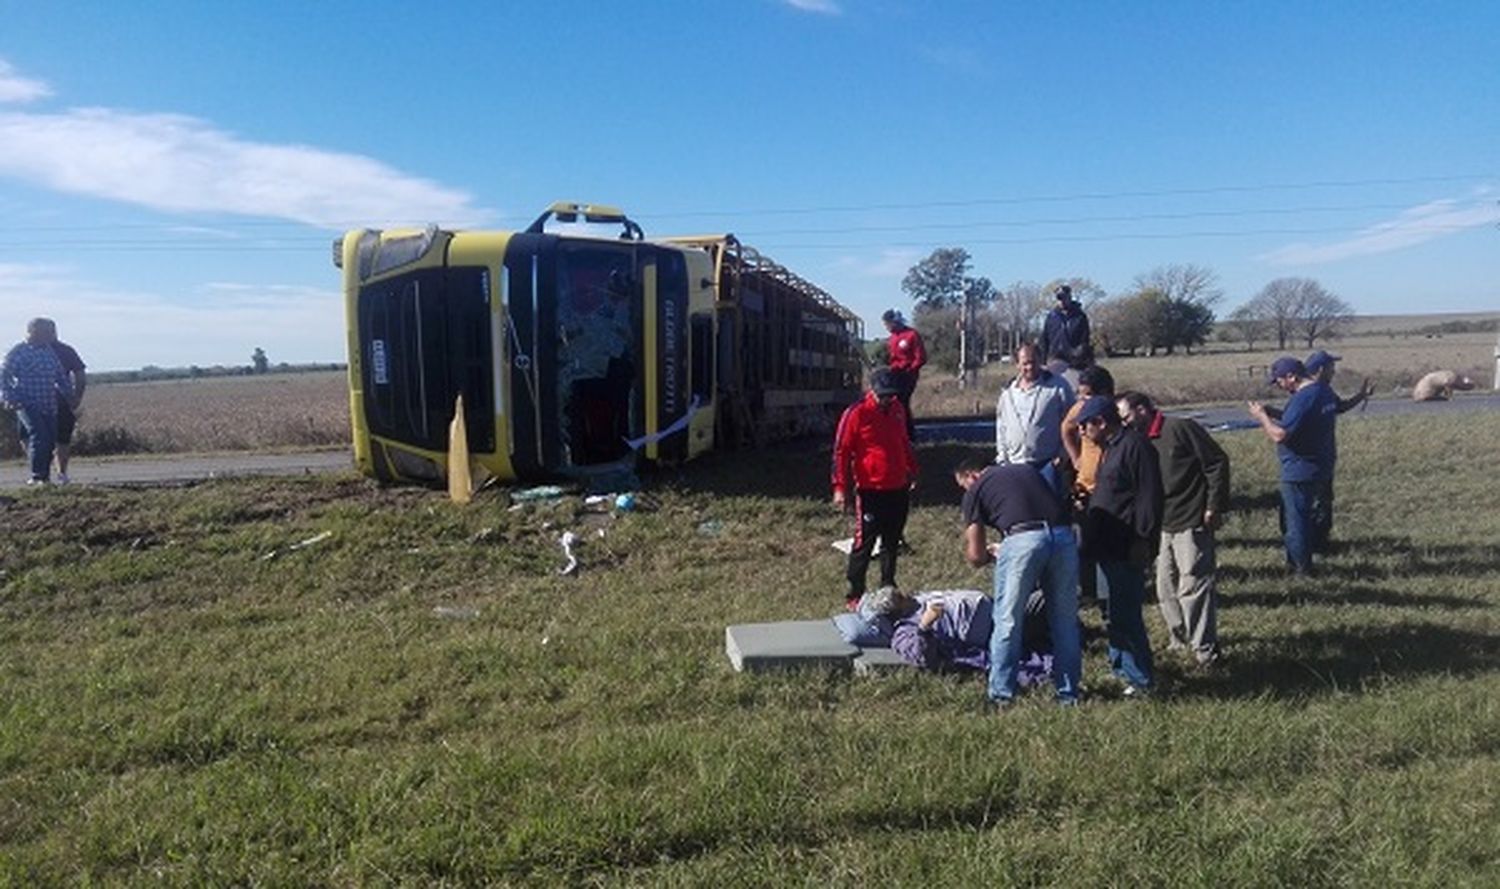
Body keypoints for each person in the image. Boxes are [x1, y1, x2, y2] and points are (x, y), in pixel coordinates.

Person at [955, 456, 1082, 707]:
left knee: (1008, 620)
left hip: (1022, 539)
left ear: (971, 475)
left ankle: (1001, 694)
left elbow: (976, 555)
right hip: (1064, 536)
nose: (965, 491)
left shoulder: (976, 488)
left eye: (963, 485)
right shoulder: (1026, 471)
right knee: (1065, 621)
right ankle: (1069, 694)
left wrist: (991, 554)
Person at [1118, 391, 1230, 666]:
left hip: (1191, 518)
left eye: (1126, 416)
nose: (1124, 424)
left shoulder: (1180, 429)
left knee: (1193, 584)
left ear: (1143, 410)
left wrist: (1214, 506)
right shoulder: (1136, 441)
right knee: (1164, 587)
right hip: (1162, 524)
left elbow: (1216, 462)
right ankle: (1179, 641)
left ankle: (1206, 651)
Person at [1076, 395, 1162, 695]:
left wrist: (1143, 539)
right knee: (1110, 612)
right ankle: (1121, 668)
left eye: (1085, 426)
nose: (1082, 433)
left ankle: (1140, 679)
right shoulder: (1110, 449)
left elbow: (1149, 497)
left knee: (1126, 613)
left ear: (1100, 422)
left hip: (1126, 545)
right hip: (1105, 545)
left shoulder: (1135, 447)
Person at [832, 368, 919, 607]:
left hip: (897, 486)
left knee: (892, 541)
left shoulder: (898, 410)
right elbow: (841, 452)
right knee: (865, 542)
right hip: (870, 489)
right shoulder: (857, 413)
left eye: (891, 396)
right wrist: (840, 487)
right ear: (872, 391)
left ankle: (888, 586)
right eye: (883, 396)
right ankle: (855, 592)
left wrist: (911, 469)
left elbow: (903, 442)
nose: (887, 400)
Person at [1247, 357, 1338, 575]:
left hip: (1299, 470)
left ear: (1292, 377)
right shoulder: (1323, 391)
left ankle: (1300, 569)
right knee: (1311, 515)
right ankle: (1316, 551)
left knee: (1295, 521)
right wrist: (1275, 412)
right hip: (1321, 464)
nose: (1278, 385)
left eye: (1279, 381)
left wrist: (1261, 417)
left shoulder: (1303, 398)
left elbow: (1280, 434)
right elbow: (1301, 419)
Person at [1060, 364, 1115, 607]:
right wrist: (1075, 458)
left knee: (1108, 544)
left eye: (1089, 394)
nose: (1084, 399)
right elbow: (1066, 428)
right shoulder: (1081, 410)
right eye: (1081, 394)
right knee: (1082, 542)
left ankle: (1108, 595)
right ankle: (1087, 590)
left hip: (1112, 489)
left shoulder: (1116, 412)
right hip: (1086, 485)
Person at [1, 318, 75, 485]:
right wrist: (9, 397)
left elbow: (60, 376)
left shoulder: (48, 351)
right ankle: (37, 477)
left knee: (49, 440)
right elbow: (3, 376)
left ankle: (45, 477)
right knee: (39, 436)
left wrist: (68, 394)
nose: (51, 336)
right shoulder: (18, 352)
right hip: (26, 403)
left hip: (48, 403)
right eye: (47, 332)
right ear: (34, 331)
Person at [995, 343, 1074, 474]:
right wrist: (1002, 459)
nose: (1030, 367)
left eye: (1033, 362)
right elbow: (1001, 427)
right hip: (1014, 466)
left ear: (1040, 361)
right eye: (1025, 363)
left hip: (1047, 465)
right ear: (1017, 364)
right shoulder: (1008, 393)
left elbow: (1072, 420)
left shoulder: (1058, 386)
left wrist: (1063, 454)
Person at [36, 319, 86, 484]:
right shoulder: (28, 350)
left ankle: (61, 474)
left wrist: (77, 396)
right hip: (34, 401)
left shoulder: (65, 351)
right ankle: (41, 474)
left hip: (60, 400)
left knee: (62, 438)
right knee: (35, 438)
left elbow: (80, 373)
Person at [881, 309, 926, 438]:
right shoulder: (892, 338)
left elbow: (921, 357)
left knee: (903, 402)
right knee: (892, 403)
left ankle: (908, 434)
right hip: (894, 374)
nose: (887, 327)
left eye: (888, 324)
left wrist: (911, 369)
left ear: (895, 322)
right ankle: (896, 432)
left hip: (908, 374)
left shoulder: (911, 335)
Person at [1041, 284, 1093, 376]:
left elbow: (1085, 340)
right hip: (1055, 359)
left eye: (1064, 298)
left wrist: (1081, 356)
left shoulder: (1080, 316)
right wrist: (1043, 361)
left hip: (1075, 360)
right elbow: (1045, 340)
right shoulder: (1051, 317)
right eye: (1059, 298)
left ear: (1069, 297)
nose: (1062, 301)